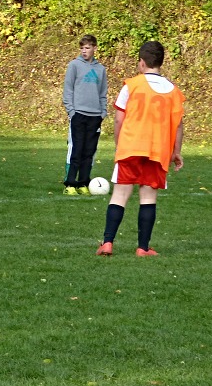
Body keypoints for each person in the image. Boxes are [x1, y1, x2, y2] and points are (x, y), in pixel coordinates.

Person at [96, 41, 184, 257]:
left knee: (120, 194)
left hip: (131, 147)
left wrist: (120, 145)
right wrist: (176, 151)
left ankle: (107, 243)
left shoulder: (131, 85)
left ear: (142, 63)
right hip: (158, 151)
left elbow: (119, 119)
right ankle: (143, 247)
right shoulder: (174, 91)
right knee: (148, 197)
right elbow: (179, 125)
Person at [62, 34, 108, 195]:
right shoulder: (74, 66)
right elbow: (68, 90)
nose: (84, 51)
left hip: (95, 116)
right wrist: (72, 111)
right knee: (77, 149)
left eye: (87, 48)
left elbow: (103, 93)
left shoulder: (100, 69)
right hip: (78, 114)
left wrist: (103, 112)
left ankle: (83, 183)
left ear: (94, 48)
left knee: (89, 151)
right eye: (82, 48)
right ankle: (70, 184)